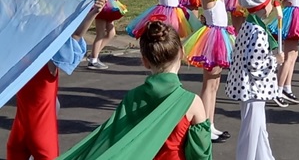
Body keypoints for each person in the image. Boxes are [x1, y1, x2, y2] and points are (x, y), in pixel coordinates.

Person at [57, 21, 212, 160]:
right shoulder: (192, 102)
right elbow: (200, 153)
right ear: (182, 52)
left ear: (144, 61)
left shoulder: (132, 97)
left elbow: (112, 140)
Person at [7, 0, 106, 160]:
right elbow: (75, 37)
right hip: (42, 132)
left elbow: (10, 22)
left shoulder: (17, 58)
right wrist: (93, 13)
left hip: (20, 129)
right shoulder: (48, 61)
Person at [183, 0, 237, 142]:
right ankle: (204, 125)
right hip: (213, 38)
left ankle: (211, 124)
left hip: (220, 35)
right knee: (209, 83)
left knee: (214, 84)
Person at [226, 0, 283, 160]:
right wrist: (275, 60)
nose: (272, 6)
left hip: (250, 87)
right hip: (254, 88)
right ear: (263, 7)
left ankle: (264, 157)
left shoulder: (249, 25)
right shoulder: (258, 31)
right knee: (251, 129)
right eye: (269, 3)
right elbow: (255, 64)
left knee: (259, 128)